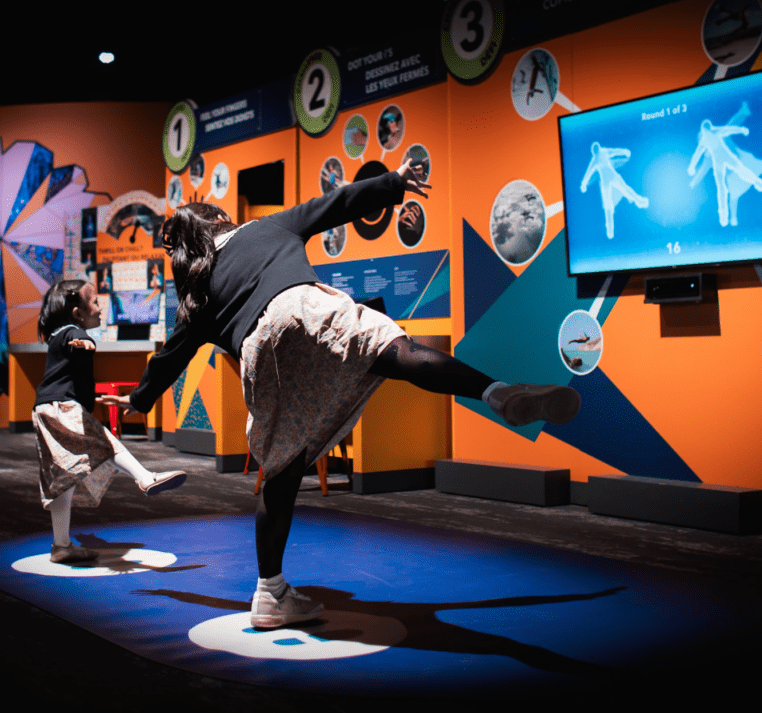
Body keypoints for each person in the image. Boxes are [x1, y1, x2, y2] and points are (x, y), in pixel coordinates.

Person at [102, 159, 581, 629]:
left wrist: (139, 401)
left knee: (281, 469)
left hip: (259, 350)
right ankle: (497, 393)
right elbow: (333, 204)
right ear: (221, 220)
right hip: (305, 307)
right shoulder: (265, 228)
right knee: (398, 352)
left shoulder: (198, 290)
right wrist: (393, 183)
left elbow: (172, 355)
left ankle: (269, 593)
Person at [33, 280, 187, 563]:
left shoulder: (57, 334)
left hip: (44, 409)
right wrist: (85, 343)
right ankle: (144, 477)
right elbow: (79, 339)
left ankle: (61, 545)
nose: (100, 308)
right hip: (61, 406)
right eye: (95, 302)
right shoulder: (72, 333)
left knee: (63, 477)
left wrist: (83, 344)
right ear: (78, 313)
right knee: (105, 441)